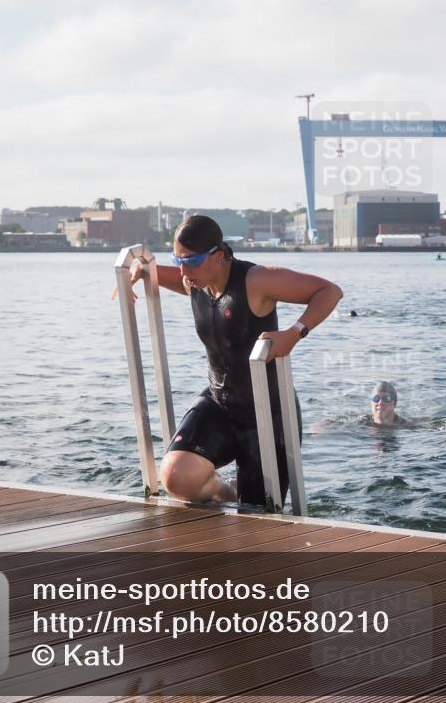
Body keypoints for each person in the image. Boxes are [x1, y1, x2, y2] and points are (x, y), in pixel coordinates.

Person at [120, 215, 343, 507]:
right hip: (219, 404)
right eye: (178, 260)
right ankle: (225, 490)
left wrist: (294, 333)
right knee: (175, 476)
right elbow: (168, 276)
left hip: (266, 414)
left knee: (258, 513)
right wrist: (141, 269)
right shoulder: (195, 282)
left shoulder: (256, 281)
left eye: (191, 260)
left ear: (219, 255)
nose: (184, 270)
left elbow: (329, 291)